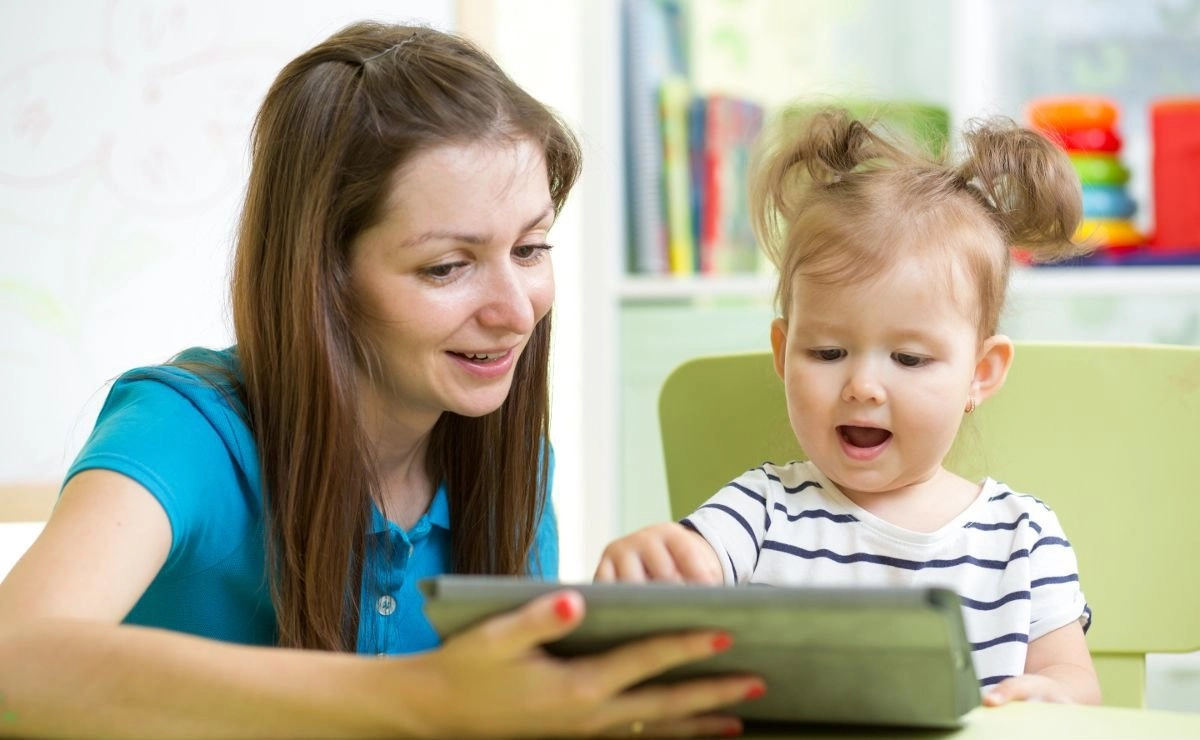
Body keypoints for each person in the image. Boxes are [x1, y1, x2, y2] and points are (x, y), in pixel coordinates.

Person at [0, 22, 764, 739]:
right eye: (446, 267)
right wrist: (425, 698)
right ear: (323, 279)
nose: (513, 312)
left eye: (530, 249)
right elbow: (13, 663)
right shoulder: (188, 430)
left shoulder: (511, 467)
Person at [595, 107, 1102, 707]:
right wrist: (648, 570)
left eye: (909, 360)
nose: (863, 386)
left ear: (980, 373)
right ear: (784, 354)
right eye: (829, 351)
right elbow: (681, 582)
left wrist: (1049, 697)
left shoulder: (1022, 536)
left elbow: (1076, 684)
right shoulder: (758, 513)